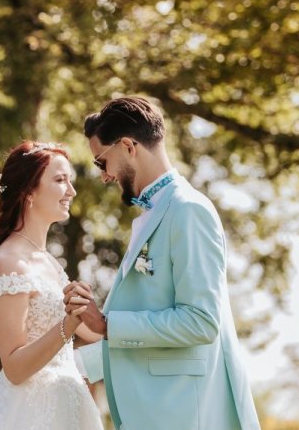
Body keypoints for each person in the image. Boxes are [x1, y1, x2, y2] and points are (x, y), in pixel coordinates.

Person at [64, 96, 261, 429]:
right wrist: (70, 368)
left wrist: (108, 324)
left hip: (184, 414)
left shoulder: (188, 210)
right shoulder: (155, 213)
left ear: (128, 146)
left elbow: (200, 321)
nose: (104, 176)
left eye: (102, 162)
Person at [0, 141, 103, 430]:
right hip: (28, 415)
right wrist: (69, 323)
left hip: (69, 407)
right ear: (29, 192)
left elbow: (94, 331)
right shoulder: (9, 261)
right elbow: (14, 368)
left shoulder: (50, 262)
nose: (71, 191)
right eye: (60, 180)